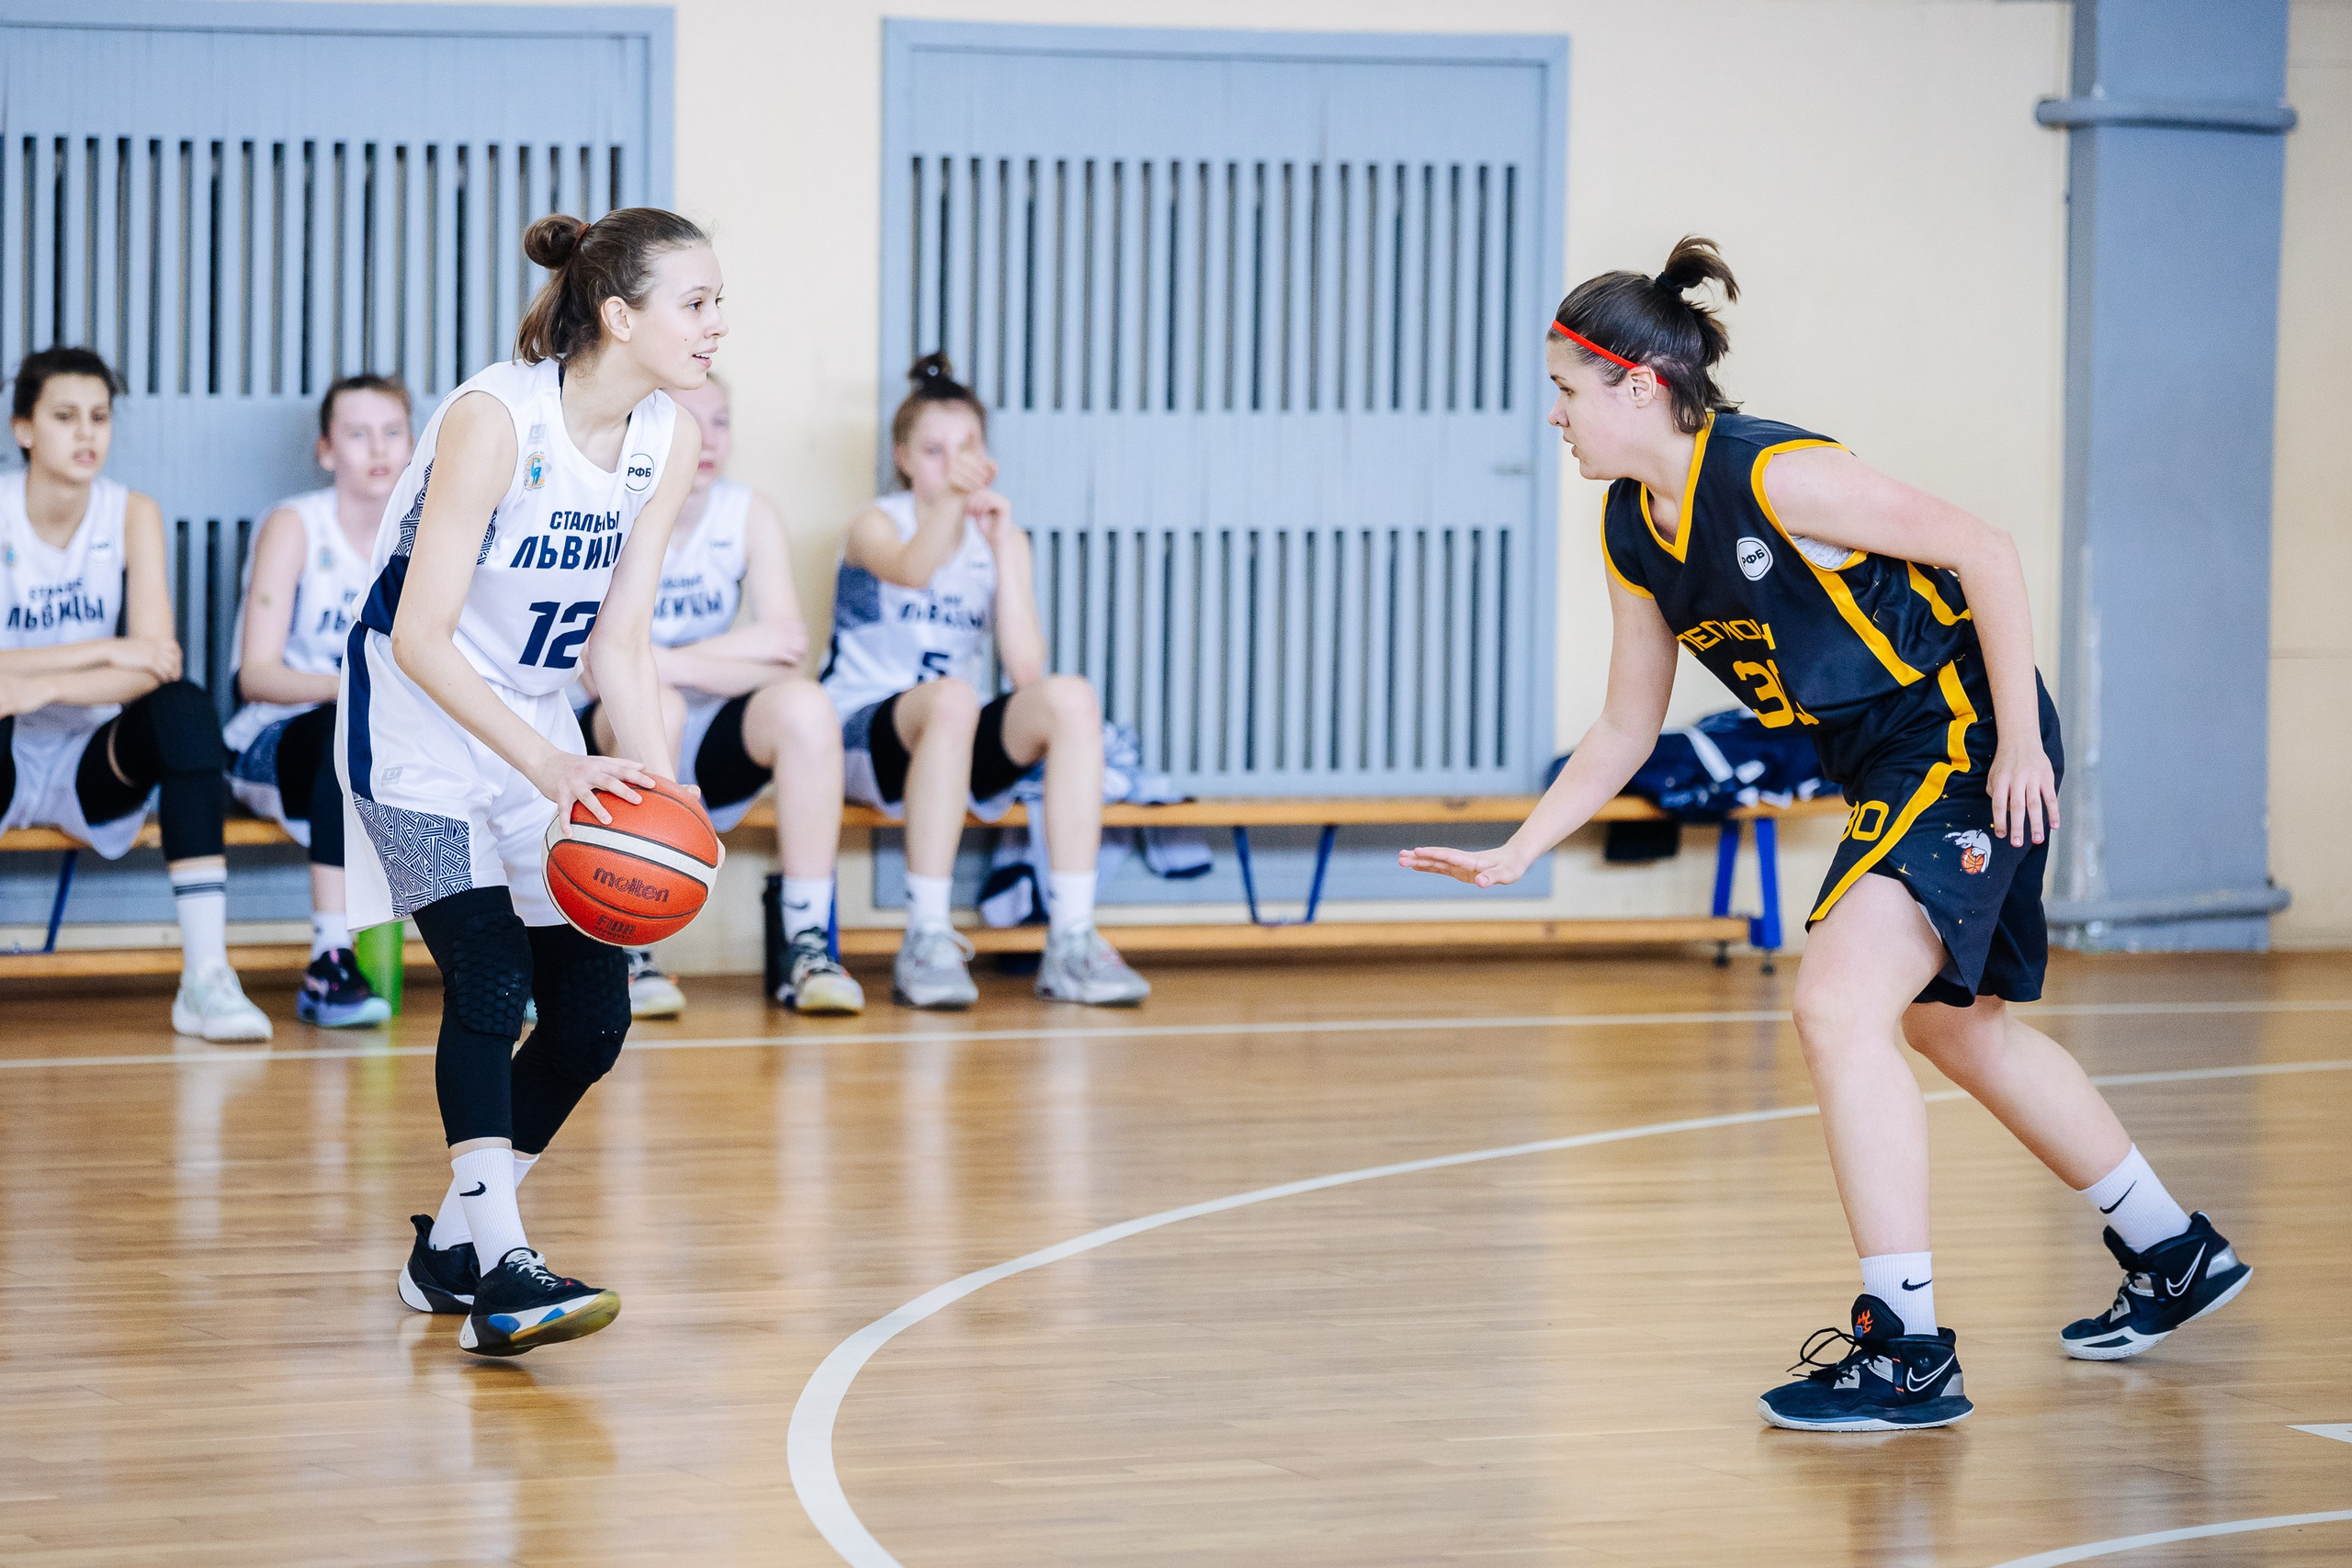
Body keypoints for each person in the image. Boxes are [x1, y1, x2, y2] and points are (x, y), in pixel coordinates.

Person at [1402, 238, 2249, 1432]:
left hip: (1957, 730)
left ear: (1637, 384)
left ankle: (1906, 1347)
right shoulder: (1635, 532)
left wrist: (2017, 744)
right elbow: (1624, 725)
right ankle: (2174, 1249)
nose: (1553, 416)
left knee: (1839, 1004)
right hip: (1886, 759)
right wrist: (1519, 848)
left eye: (1564, 388)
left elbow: (1984, 551)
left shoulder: (1777, 474)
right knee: (1957, 1028)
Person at [356, 207, 716, 1356]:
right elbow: (420, 636)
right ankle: (504, 1271)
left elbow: (621, 643)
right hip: (413, 725)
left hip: (537, 732)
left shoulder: (671, 436)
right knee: (489, 976)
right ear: (620, 316)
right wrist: (551, 764)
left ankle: (449, 1254)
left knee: (594, 1017)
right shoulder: (494, 419)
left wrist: (662, 793)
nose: (718, 326)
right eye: (696, 303)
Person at [820, 354, 1148, 1010]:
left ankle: (1073, 938)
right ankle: (929, 936)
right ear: (905, 456)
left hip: (955, 733)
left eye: (965, 447)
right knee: (952, 699)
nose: (952, 463)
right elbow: (913, 570)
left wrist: (1005, 552)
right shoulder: (877, 522)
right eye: (935, 451)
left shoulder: (997, 536)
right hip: (863, 736)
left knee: (1071, 699)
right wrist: (950, 505)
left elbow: (1027, 673)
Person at [0, 346, 271, 1042]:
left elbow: (155, 662)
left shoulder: (131, 513)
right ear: (23, 428)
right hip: (6, 751)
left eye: (98, 416)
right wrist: (104, 648)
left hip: (89, 758)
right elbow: (127, 652)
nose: (87, 433)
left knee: (182, 705)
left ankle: (205, 977)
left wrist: (45, 683)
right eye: (65, 417)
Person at [575, 375, 862, 1019]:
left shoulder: (748, 512)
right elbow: (598, 671)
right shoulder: (611, 504)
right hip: (625, 726)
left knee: (807, 708)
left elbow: (786, 649)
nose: (706, 440)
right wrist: (731, 655)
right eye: (689, 420)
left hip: (713, 728)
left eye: (720, 421)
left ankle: (807, 943)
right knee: (660, 706)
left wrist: (663, 661)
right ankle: (629, 946)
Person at [225, 376, 413, 1028]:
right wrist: (362, 688)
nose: (377, 448)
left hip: (386, 735)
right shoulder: (296, 526)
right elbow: (257, 674)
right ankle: (329, 958)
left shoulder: (427, 536)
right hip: (276, 739)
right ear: (327, 450)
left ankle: (518, 953)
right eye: (358, 434)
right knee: (347, 726)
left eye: (392, 431)